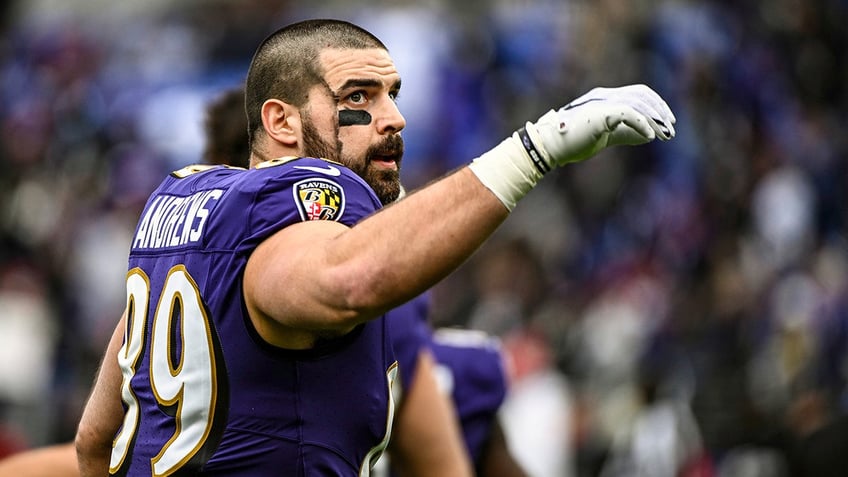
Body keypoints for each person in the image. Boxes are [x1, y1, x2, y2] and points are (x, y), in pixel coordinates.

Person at [73, 18, 675, 476]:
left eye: (393, 94)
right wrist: (537, 148)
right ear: (282, 122)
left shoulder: (180, 202)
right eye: (358, 97)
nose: (394, 118)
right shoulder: (306, 195)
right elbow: (347, 279)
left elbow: (95, 440)